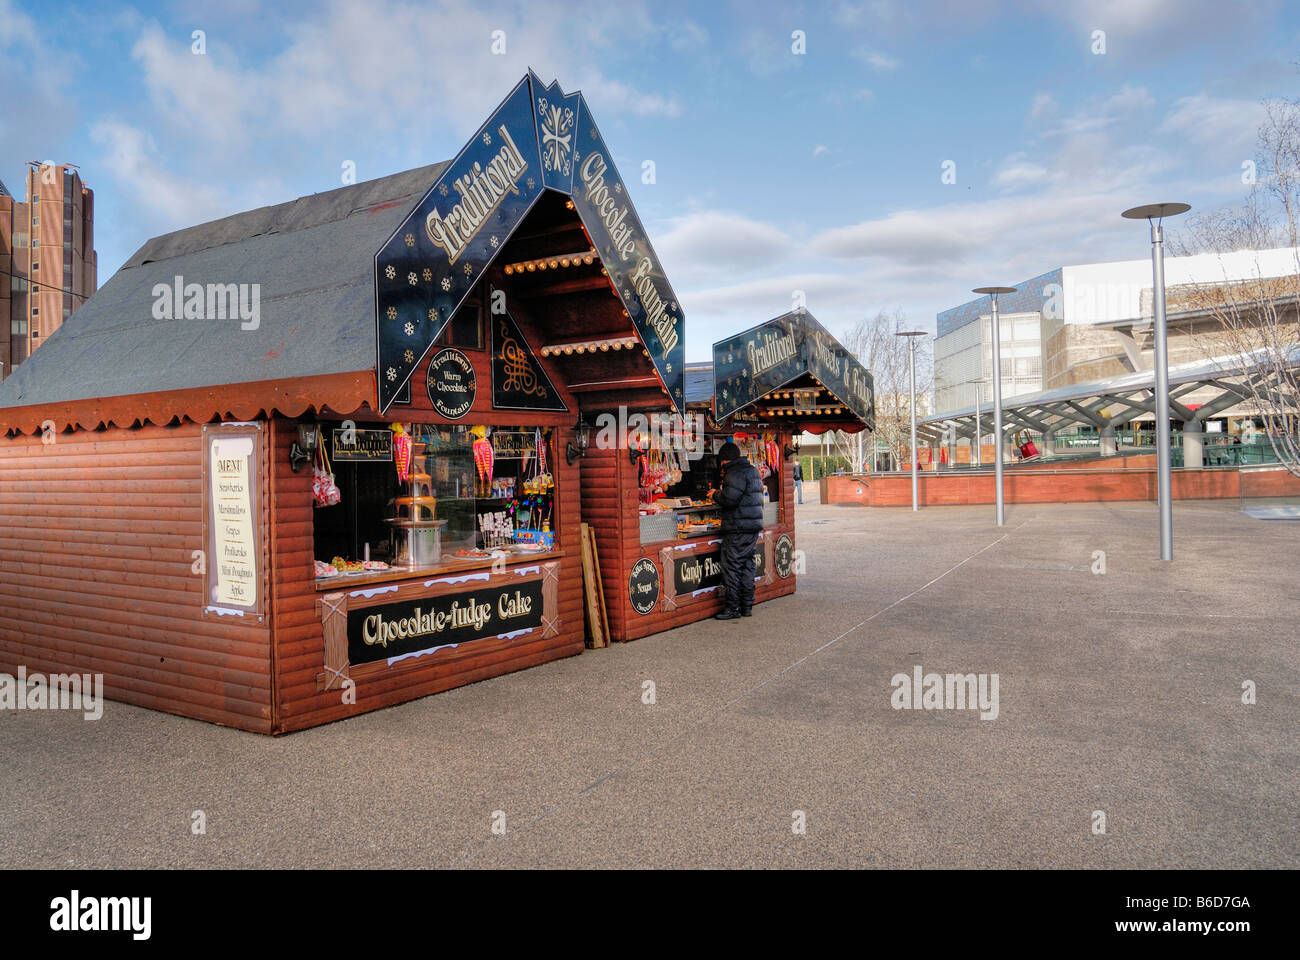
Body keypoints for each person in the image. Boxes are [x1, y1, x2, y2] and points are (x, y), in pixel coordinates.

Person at [709, 441, 764, 620]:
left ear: (724, 461)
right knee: (747, 566)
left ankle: (732, 609)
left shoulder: (734, 472)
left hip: (737, 528)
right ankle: (747, 606)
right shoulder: (752, 470)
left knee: (732, 567)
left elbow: (730, 499)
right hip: (752, 527)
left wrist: (715, 494)